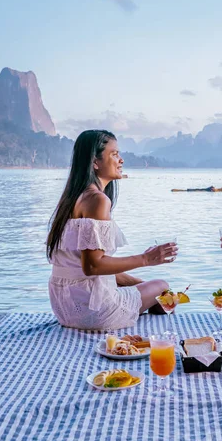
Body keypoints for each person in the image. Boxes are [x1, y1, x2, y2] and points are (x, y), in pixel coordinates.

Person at [47, 129, 177, 330]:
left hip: (64, 310)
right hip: (95, 311)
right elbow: (93, 266)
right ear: (95, 162)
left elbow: (91, 269)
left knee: (159, 293)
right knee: (163, 287)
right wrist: (146, 259)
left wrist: (140, 285)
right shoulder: (97, 200)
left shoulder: (71, 199)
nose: (121, 160)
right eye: (114, 154)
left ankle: (151, 297)